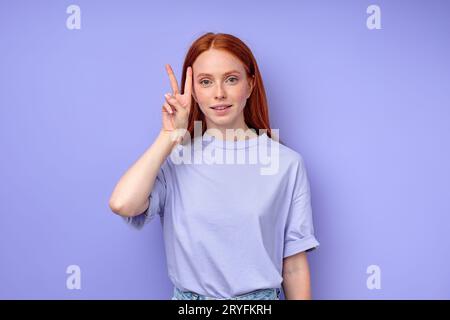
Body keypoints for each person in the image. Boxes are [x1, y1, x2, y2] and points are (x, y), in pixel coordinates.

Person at [108, 32, 319, 300]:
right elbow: (122, 204)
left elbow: (294, 266)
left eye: (231, 79)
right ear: (193, 91)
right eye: (206, 82)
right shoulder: (175, 159)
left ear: (250, 85)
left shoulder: (287, 164)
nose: (219, 93)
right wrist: (169, 136)